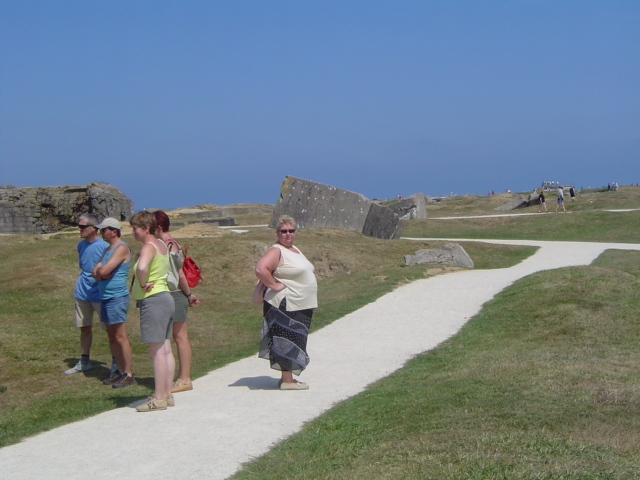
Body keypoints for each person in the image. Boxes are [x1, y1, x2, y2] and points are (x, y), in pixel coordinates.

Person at [254, 215, 318, 390]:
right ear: (277, 233)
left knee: (295, 339)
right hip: (286, 304)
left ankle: (286, 378)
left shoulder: (293, 249)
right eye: (283, 231)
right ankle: (287, 381)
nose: (288, 234)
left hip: (300, 303)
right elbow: (260, 268)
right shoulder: (276, 250)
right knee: (286, 339)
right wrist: (274, 285)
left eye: (291, 230)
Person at [130, 210, 176, 411]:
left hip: (153, 299)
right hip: (165, 297)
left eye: (135, 228)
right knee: (166, 349)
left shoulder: (149, 246)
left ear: (146, 228)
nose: (133, 232)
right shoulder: (161, 245)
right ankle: (166, 394)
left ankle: (158, 398)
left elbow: (142, 268)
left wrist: (142, 284)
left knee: (156, 352)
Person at [153, 210, 199, 394]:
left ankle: (184, 378)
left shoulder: (169, 245)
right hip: (177, 293)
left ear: (158, 227)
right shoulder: (172, 243)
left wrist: (187, 295)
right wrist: (189, 294)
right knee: (177, 337)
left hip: (174, 294)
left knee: (180, 337)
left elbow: (177, 274)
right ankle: (180, 377)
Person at [92, 217, 136, 388]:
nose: (101, 232)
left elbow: (103, 270)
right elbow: (95, 271)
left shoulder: (121, 248)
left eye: (104, 230)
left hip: (116, 297)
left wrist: (101, 272)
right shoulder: (107, 249)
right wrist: (101, 273)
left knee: (120, 336)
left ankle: (128, 373)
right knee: (112, 336)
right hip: (105, 296)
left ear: (114, 231)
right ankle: (119, 371)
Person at [65, 213, 108, 375]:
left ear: (94, 228)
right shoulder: (80, 245)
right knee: (84, 327)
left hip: (100, 293)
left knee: (111, 330)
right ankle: (84, 361)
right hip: (82, 293)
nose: (80, 229)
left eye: (83, 226)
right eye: (79, 226)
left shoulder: (104, 246)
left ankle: (116, 363)